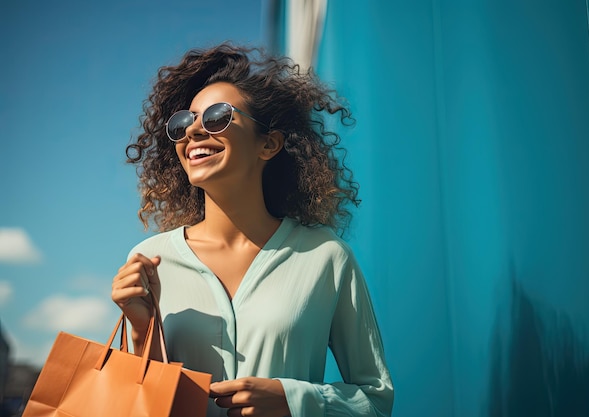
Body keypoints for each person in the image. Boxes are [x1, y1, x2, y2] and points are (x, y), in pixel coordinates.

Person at [111, 42, 393, 417]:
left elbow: (375, 400)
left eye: (216, 117)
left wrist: (293, 400)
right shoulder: (148, 262)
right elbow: (142, 407)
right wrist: (142, 330)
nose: (194, 130)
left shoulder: (326, 257)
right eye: (184, 123)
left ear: (269, 144)